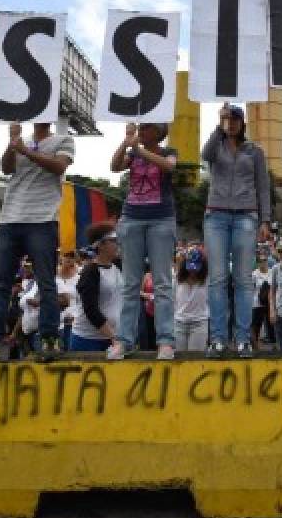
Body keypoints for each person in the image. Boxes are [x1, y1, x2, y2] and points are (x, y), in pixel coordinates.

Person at [0, 121, 73, 363]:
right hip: (11, 218)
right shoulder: (20, 140)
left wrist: (26, 151)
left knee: (46, 281)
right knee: (1, 283)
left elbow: (59, 167)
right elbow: (6, 168)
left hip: (43, 219)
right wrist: (12, 144)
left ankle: (49, 339)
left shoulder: (63, 140)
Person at [202, 103, 272, 358]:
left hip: (246, 215)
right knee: (218, 278)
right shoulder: (216, 145)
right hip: (216, 214)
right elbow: (205, 155)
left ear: (243, 123)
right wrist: (217, 127)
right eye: (226, 120)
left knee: (243, 279)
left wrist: (265, 220)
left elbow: (263, 187)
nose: (230, 123)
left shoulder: (255, 151)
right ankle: (218, 338)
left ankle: (243, 338)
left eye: (234, 119)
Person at [107, 122, 177, 361]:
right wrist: (125, 144)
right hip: (132, 219)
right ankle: (124, 340)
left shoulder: (168, 152)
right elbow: (114, 166)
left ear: (158, 132)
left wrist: (139, 149)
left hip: (161, 220)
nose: (142, 131)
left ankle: (165, 341)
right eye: (141, 128)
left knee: (162, 283)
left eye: (146, 128)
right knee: (130, 284)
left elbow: (168, 166)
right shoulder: (132, 152)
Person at [71, 222, 122, 353]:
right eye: (113, 240)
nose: (118, 243)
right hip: (88, 340)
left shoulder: (117, 266)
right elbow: (91, 310)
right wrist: (113, 337)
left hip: (112, 338)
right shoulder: (90, 272)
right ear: (100, 245)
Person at [174, 246, 209, 353]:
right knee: (178, 361)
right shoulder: (176, 279)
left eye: (196, 267)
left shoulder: (207, 280)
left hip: (199, 323)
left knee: (195, 359)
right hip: (179, 323)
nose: (193, 271)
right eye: (190, 267)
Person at [56, 251, 80, 350]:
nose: (69, 259)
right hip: (57, 325)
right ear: (60, 258)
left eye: (72, 256)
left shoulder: (79, 278)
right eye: (66, 255)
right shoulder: (52, 278)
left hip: (74, 324)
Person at [250, 255, 272, 351]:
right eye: (260, 261)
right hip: (257, 303)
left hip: (270, 302)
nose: (262, 263)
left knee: (271, 324)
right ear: (257, 263)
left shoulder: (272, 272)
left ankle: (273, 343)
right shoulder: (254, 274)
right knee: (256, 325)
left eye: (264, 260)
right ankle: (255, 346)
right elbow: (251, 288)